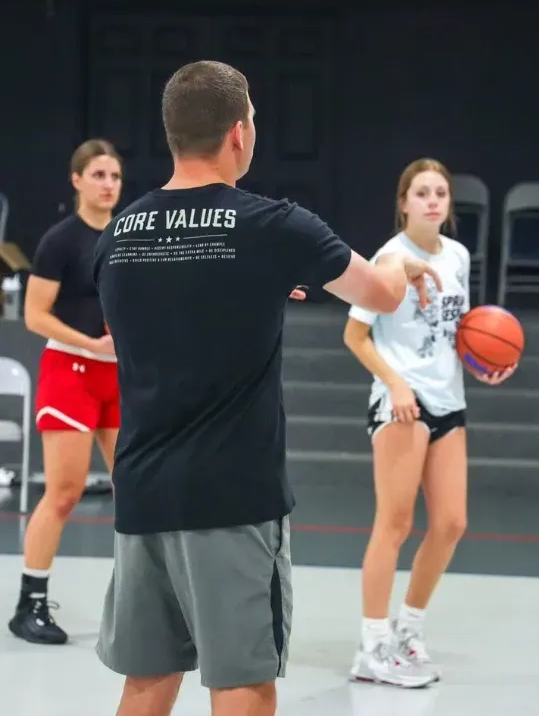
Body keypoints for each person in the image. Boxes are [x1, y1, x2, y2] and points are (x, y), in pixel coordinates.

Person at [92, 60, 443, 716]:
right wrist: (401, 256)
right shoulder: (272, 225)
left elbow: (160, 319)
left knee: (146, 681)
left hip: (141, 490)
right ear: (238, 134)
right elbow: (383, 294)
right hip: (232, 497)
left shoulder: (119, 234)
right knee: (244, 683)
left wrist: (250, 289)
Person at [344, 158, 516, 688]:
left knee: (451, 524)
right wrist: (396, 385)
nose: (434, 200)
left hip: (449, 398)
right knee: (393, 525)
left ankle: (408, 630)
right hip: (402, 403)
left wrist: (487, 360)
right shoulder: (389, 258)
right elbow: (355, 336)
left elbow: (454, 328)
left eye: (441, 192)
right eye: (422, 192)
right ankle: (371, 647)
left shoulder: (459, 256)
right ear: (404, 203)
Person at [8, 139, 123, 645]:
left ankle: (151, 602)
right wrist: (93, 343)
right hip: (70, 370)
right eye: (98, 174)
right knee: (65, 491)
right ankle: (29, 602)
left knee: (139, 490)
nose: (108, 184)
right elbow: (35, 315)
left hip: (120, 376)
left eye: (115, 176)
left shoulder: (127, 236)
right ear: (77, 180)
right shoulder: (59, 240)